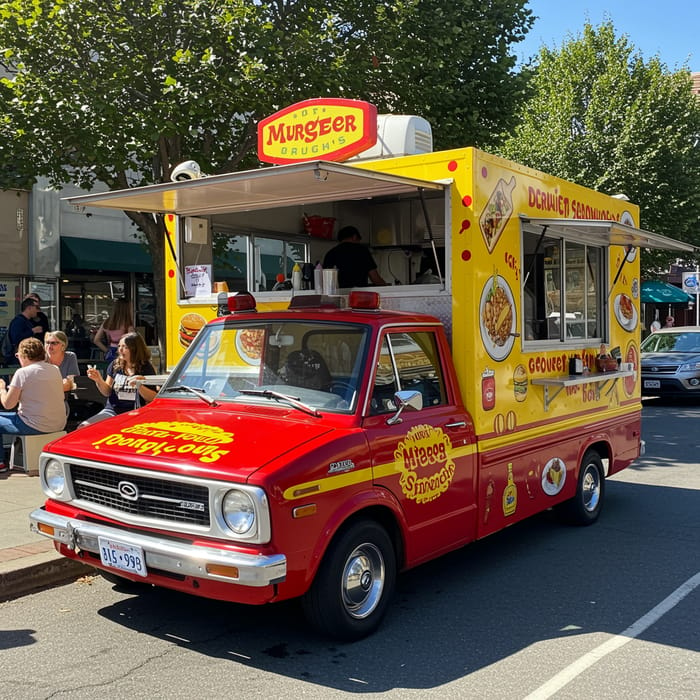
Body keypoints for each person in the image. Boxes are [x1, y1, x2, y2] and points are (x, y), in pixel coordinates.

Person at [0, 338, 66, 472]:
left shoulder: (22, 372)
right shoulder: (54, 369)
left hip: (34, 424)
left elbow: (8, 404)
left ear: (24, 355)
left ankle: (0, 462)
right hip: (58, 423)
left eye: (18, 355)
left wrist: (1, 389)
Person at [80, 332, 157, 427]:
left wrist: (139, 386)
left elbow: (153, 397)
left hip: (135, 413)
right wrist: (98, 380)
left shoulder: (146, 367)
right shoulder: (115, 365)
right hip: (112, 411)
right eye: (119, 346)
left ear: (135, 349)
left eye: (125, 347)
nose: (120, 350)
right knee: (83, 427)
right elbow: (107, 392)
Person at [322, 225, 388, 288]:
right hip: (359, 295)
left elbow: (325, 280)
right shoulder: (362, 250)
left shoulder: (331, 253)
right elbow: (375, 278)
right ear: (354, 237)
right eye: (359, 240)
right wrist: (387, 288)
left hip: (338, 295)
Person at [3, 298, 44, 366]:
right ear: (29, 308)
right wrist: (32, 331)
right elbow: (16, 339)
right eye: (36, 307)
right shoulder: (18, 321)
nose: (37, 310)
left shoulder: (27, 321)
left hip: (25, 357)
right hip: (16, 359)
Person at [92, 298, 135, 362]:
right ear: (127, 310)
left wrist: (107, 351)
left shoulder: (107, 322)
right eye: (131, 308)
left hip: (111, 351)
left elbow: (96, 340)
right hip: (124, 353)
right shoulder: (128, 325)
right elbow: (132, 343)